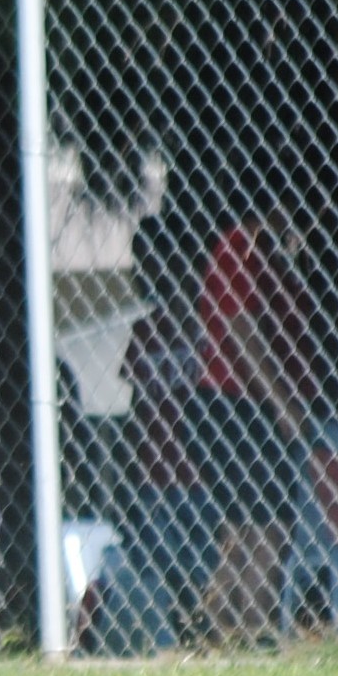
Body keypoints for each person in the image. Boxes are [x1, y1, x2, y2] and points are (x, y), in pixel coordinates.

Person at [187, 177, 314, 644]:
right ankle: (252, 632)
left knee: (246, 532)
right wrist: (281, 402)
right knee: (266, 529)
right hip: (236, 404)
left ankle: (224, 632)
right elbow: (241, 329)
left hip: (245, 406)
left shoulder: (272, 256)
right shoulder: (240, 246)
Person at [109, 215, 214, 652]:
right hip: (156, 470)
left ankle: (201, 625)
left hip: (200, 471)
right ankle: (177, 633)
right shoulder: (146, 330)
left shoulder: (206, 326)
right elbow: (138, 406)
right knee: (163, 562)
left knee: (202, 560)